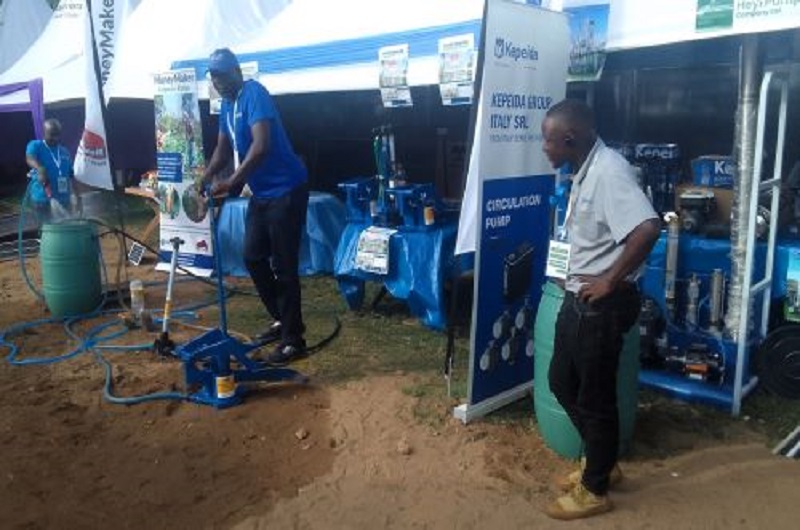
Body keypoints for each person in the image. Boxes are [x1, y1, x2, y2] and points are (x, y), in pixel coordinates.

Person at [540, 99, 660, 520]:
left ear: (569, 138)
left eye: (547, 140)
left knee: (593, 398)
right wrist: (567, 269)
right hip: (577, 297)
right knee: (561, 381)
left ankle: (595, 488)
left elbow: (647, 228)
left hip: (602, 306)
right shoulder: (584, 170)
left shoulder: (609, 172)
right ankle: (601, 460)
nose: (544, 148)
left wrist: (608, 279)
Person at [201, 48, 309, 366]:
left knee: (283, 266)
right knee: (252, 256)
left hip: (287, 189)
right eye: (213, 76)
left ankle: (294, 340)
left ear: (237, 71)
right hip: (262, 193)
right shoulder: (226, 105)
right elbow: (222, 149)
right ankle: (283, 319)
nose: (218, 81)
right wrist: (205, 177)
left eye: (222, 74)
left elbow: (261, 146)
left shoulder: (254, 93)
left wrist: (232, 181)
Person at [25, 118, 79, 223]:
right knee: (48, 232)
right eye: (52, 135)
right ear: (44, 133)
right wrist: (40, 168)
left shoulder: (64, 151)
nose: (55, 138)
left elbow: (71, 174)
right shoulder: (36, 145)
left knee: (65, 229)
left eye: (57, 135)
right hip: (43, 200)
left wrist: (76, 195)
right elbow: (29, 158)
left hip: (64, 199)